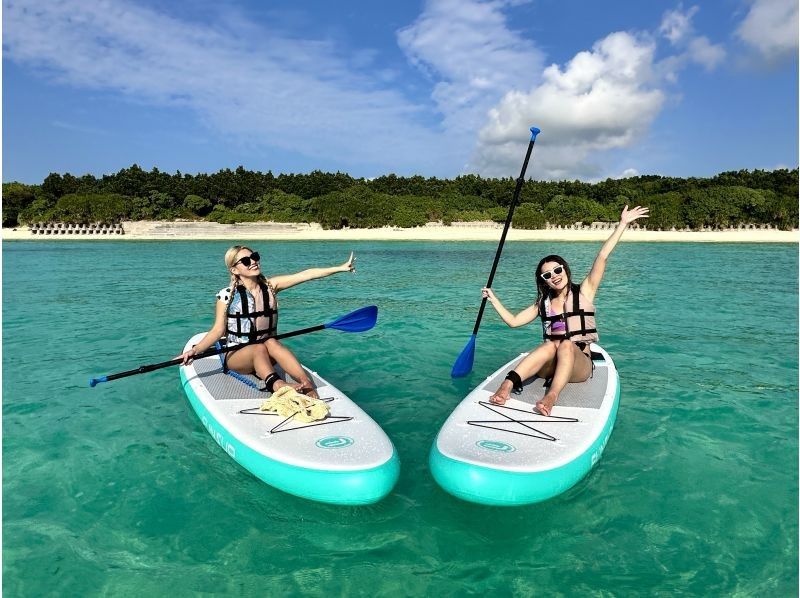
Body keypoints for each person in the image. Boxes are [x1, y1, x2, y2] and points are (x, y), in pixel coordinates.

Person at [482, 206, 649, 416]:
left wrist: (622, 224)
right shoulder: (543, 303)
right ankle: (507, 386)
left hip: (579, 365)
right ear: (544, 281)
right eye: (547, 275)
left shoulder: (585, 291)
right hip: (549, 365)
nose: (554, 276)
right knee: (550, 345)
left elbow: (602, 257)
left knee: (566, 345)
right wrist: (493, 299)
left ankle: (551, 396)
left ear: (565, 269)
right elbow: (514, 321)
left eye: (557, 270)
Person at [180, 246, 356, 398]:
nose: (253, 262)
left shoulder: (271, 286)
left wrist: (340, 268)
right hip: (237, 357)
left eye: (254, 257)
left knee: (270, 341)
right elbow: (218, 331)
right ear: (234, 270)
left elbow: (306, 275)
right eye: (246, 261)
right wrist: (195, 350)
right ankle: (278, 385)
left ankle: (305, 382)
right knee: (258, 347)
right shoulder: (227, 296)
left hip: (267, 353)